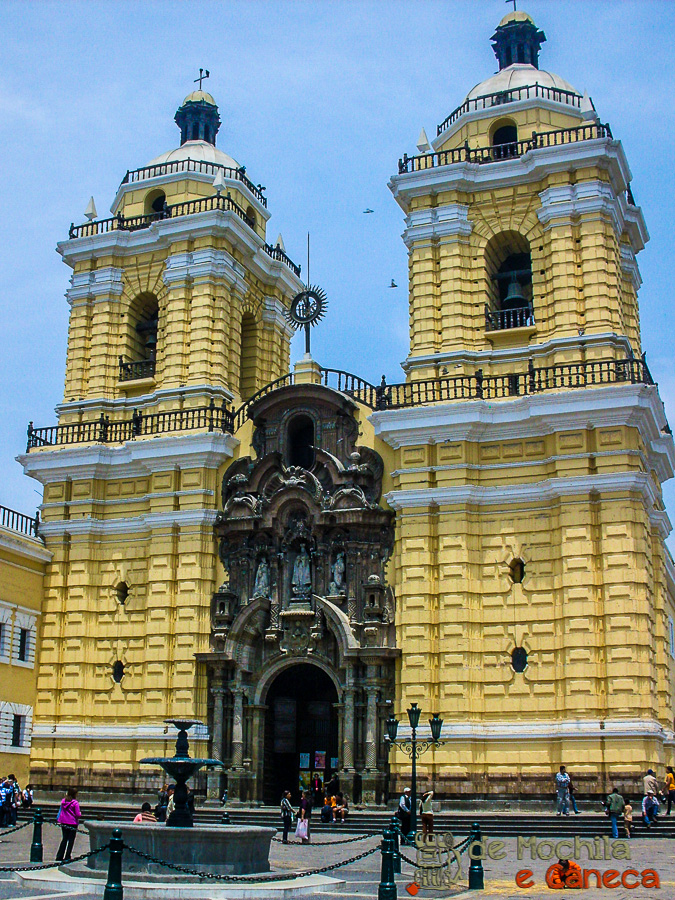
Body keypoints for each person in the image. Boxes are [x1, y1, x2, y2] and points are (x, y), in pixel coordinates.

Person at [55, 787, 81, 862]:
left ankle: (59, 855)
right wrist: (80, 814)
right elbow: (78, 814)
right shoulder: (75, 803)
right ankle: (67, 856)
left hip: (64, 822)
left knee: (64, 839)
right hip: (72, 823)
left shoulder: (63, 801)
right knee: (71, 840)